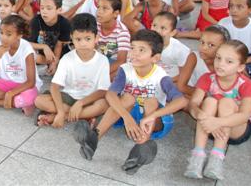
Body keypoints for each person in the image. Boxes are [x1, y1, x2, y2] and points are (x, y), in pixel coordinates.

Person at [75, 30, 187, 174]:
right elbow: (110, 94)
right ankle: (94, 139)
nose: (134, 53)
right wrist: (127, 118)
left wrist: (152, 116)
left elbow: (181, 101)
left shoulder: (161, 76)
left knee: (150, 101)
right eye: (132, 48)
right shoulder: (125, 70)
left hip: (154, 121)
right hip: (130, 115)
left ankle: (139, 150)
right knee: (127, 97)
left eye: (141, 50)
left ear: (155, 57)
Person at [184, 41, 251, 180]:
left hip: (236, 130)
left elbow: (244, 116)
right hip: (210, 128)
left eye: (229, 61)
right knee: (209, 101)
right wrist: (200, 114)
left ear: (241, 67)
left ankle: (216, 159)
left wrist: (216, 121)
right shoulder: (207, 78)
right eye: (218, 58)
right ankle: (197, 157)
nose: (220, 64)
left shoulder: (247, 84)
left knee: (226, 102)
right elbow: (193, 104)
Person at [36, 13, 110, 127]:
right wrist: (60, 110)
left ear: (96, 38)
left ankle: (64, 116)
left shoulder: (102, 60)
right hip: (69, 97)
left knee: (104, 104)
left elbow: (103, 90)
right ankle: (84, 115)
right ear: (72, 38)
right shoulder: (67, 59)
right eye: (78, 39)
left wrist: (81, 103)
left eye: (88, 39)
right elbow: (55, 86)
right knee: (39, 101)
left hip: (91, 99)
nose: (83, 43)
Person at [218, 0, 251, 82]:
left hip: (248, 58)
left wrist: (241, 63)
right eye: (231, 6)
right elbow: (217, 46)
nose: (234, 10)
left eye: (239, 7)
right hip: (227, 56)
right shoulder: (223, 23)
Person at [151, 12, 196, 96]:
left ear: (172, 32)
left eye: (163, 28)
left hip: (174, 81)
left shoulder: (179, 49)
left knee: (178, 95)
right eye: (154, 25)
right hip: (155, 79)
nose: (157, 30)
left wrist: (164, 81)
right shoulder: (147, 43)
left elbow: (182, 76)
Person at [28, 0, 71, 72]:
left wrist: (54, 62)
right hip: (43, 56)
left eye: (49, 8)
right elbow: (29, 43)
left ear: (59, 10)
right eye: (42, 8)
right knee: (31, 55)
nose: (44, 11)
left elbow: (59, 45)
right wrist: (44, 47)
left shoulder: (65, 23)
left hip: (60, 55)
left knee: (68, 60)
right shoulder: (36, 21)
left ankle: (55, 65)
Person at [186, 25, 230, 97]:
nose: (204, 48)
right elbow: (181, 86)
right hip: (193, 93)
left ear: (223, 48)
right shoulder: (194, 57)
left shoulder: (229, 64)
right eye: (202, 42)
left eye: (211, 45)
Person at [96, 0, 130, 79]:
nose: (99, 11)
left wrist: (101, 73)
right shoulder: (95, 26)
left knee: (120, 72)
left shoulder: (122, 32)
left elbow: (121, 61)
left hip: (113, 63)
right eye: (98, 7)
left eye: (105, 8)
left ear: (115, 13)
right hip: (98, 60)